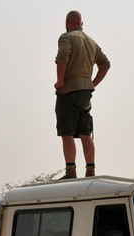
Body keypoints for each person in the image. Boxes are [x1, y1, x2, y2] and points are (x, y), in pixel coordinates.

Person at [54, 10, 110, 179]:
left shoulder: (66, 37)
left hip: (69, 91)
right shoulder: (91, 41)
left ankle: (71, 171)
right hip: (86, 93)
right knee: (86, 134)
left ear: (68, 23)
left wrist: (60, 81)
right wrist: (93, 83)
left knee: (67, 132)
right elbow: (105, 64)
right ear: (81, 24)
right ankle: (90, 170)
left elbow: (62, 57)